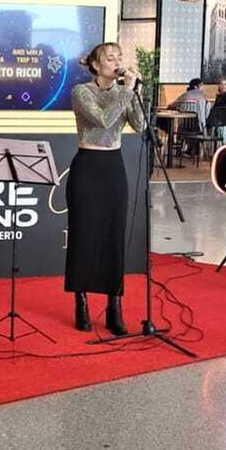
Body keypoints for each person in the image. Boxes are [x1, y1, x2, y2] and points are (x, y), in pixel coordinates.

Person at [66, 42, 145, 335]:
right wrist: (125, 91)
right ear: (96, 65)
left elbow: (140, 126)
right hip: (88, 167)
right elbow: (102, 119)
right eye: (109, 58)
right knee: (83, 235)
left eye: (119, 57)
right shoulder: (81, 92)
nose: (116, 61)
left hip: (114, 167)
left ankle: (115, 304)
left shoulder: (125, 92)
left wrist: (135, 93)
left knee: (113, 235)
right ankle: (81, 300)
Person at [206, 74, 226, 144]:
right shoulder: (219, 96)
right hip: (218, 119)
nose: (223, 86)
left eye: (225, 84)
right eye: (221, 84)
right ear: (218, 86)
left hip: (224, 120)